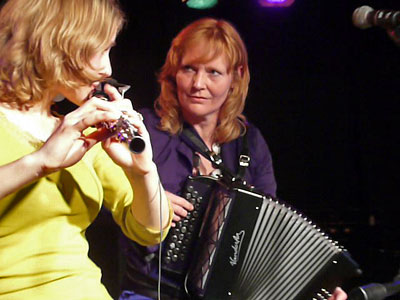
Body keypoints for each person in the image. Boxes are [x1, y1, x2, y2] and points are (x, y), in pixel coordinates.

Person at [119, 18, 348, 300]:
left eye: (213, 73)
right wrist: (147, 199)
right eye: (189, 69)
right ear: (173, 73)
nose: (197, 84)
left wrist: (313, 288)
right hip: (152, 293)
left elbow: (268, 236)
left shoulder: (250, 143)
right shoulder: (144, 131)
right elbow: (105, 202)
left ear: (235, 78)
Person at [0, 0, 172, 299]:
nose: (107, 68)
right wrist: (39, 163)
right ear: (52, 45)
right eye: (97, 50)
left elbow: (151, 230)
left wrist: (143, 170)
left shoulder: (80, 132)